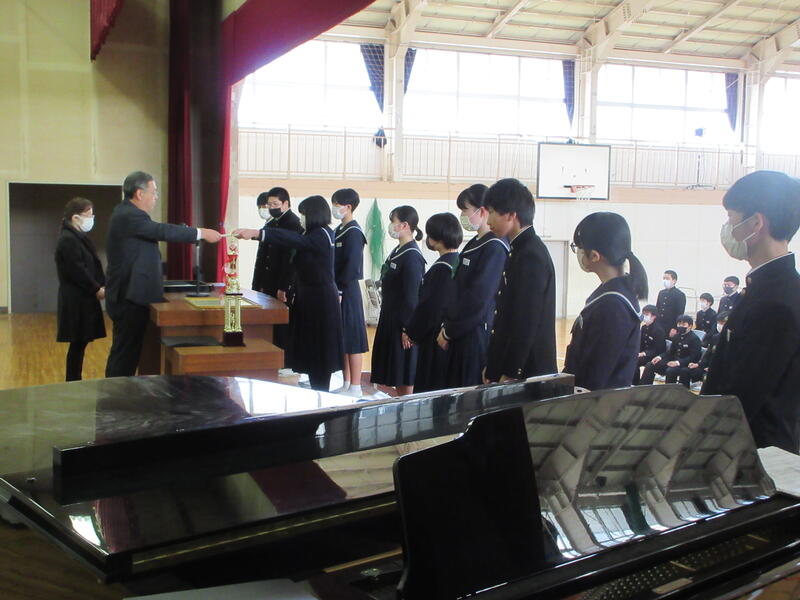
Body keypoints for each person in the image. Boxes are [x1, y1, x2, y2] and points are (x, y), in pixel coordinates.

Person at [703, 171, 800, 454]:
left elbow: (741, 400)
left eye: (731, 219)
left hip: (752, 456)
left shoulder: (774, 303)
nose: (727, 229)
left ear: (756, 223)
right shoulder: (769, 287)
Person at [105, 172, 221, 377]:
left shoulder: (128, 213)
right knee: (124, 355)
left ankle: (122, 391)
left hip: (132, 294)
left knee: (128, 353)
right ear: (139, 193)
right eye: (154, 192)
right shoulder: (129, 215)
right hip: (128, 296)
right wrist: (200, 233)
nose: (156, 197)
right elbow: (161, 231)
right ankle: (115, 394)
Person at [234, 196, 343, 392]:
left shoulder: (321, 234)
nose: (301, 218)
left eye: (304, 214)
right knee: (310, 347)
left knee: (319, 349)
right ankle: (315, 386)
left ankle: (322, 390)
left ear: (313, 214)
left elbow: (292, 239)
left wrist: (258, 233)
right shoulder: (312, 233)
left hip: (320, 300)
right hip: (308, 296)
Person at [483, 178, 556, 383]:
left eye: (492, 212)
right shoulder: (519, 249)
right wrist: (493, 366)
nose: (488, 221)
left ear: (511, 215)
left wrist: (511, 371)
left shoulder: (531, 254)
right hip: (510, 365)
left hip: (526, 370)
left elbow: (526, 319)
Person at [563, 212, 648, 391]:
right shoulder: (615, 293)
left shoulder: (612, 305)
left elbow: (594, 376)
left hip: (595, 402)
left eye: (578, 247)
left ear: (595, 255)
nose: (577, 253)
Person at [438, 184, 508, 387]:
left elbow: (478, 298)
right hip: (458, 331)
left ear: (483, 211)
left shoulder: (494, 247)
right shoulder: (474, 243)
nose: (462, 216)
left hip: (474, 333)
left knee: (468, 392)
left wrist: (451, 330)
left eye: (465, 210)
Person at [371, 206, 426, 396]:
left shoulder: (412, 256)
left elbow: (411, 297)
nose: (390, 226)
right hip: (390, 317)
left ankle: (407, 405)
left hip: (402, 322)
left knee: (404, 371)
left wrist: (407, 329)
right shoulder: (398, 250)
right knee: (396, 372)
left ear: (404, 225)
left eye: (393, 222)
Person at [404, 213, 462, 393]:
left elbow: (429, 307)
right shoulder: (458, 262)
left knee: (430, 388)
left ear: (438, 237)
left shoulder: (441, 268)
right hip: (448, 335)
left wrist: (411, 332)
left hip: (434, 339)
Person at [251, 187, 303, 374]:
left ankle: (287, 362)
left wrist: (284, 286)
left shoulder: (294, 224)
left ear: (286, 203)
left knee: (284, 324)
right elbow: (262, 258)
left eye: (275, 204)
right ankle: (272, 358)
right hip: (267, 282)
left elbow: (292, 260)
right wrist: (257, 284)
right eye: (269, 204)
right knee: (270, 323)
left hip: (283, 284)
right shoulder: (272, 223)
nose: (271, 208)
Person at [55, 198, 106, 381]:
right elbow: (78, 270)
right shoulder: (68, 240)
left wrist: (101, 283)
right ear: (75, 218)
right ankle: (73, 380)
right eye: (88, 215)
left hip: (82, 298)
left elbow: (91, 265)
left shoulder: (77, 237)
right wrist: (96, 288)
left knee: (80, 343)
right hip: (76, 300)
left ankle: (74, 379)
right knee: (77, 343)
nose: (92, 218)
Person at [331, 188, 369, 397]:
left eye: (337, 204)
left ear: (348, 207)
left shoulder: (354, 232)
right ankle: (346, 383)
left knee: (353, 338)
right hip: (337, 289)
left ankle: (356, 386)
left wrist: (339, 290)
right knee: (344, 338)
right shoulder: (339, 229)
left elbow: (352, 265)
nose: (335, 208)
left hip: (348, 289)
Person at [639, 315, 702, 386]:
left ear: (690, 326)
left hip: (685, 364)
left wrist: (677, 363)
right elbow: (670, 352)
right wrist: (660, 357)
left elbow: (693, 357)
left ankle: (669, 391)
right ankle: (644, 386)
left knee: (671, 370)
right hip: (673, 361)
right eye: (679, 324)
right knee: (650, 364)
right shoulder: (676, 336)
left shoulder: (694, 339)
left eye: (683, 324)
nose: (680, 326)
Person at [678, 311, 729, 388]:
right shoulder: (715, 337)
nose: (720, 326)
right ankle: (684, 393)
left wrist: (713, 368)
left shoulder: (733, 340)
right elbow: (707, 356)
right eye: (718, 323)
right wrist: (698, 364)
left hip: (720, 370)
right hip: (707, 367)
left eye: (722, 323)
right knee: (685, 371)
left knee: (707, 378)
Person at [632, 304, 665, 385]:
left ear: (654, 316)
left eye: (647, 314)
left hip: (655, 355)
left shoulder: (658, 330)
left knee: (642, 362)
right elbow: (641, 343)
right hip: (645, 354)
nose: (644, 316)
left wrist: (644, 353)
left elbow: (659, 349)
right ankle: (634, 383)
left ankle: (643, 385)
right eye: (643, 314)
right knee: (632, 358)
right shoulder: (644, 327)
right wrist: (636, 352)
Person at [656, 269, 686, 336]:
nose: (665, 280)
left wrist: (675, 328)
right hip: (659, 325)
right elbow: (657, 309)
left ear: (674, 280)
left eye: (667, 278)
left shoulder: (680, 294)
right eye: (664, 278)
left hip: (671, 326)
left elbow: (680, 313)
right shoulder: (661, 293)